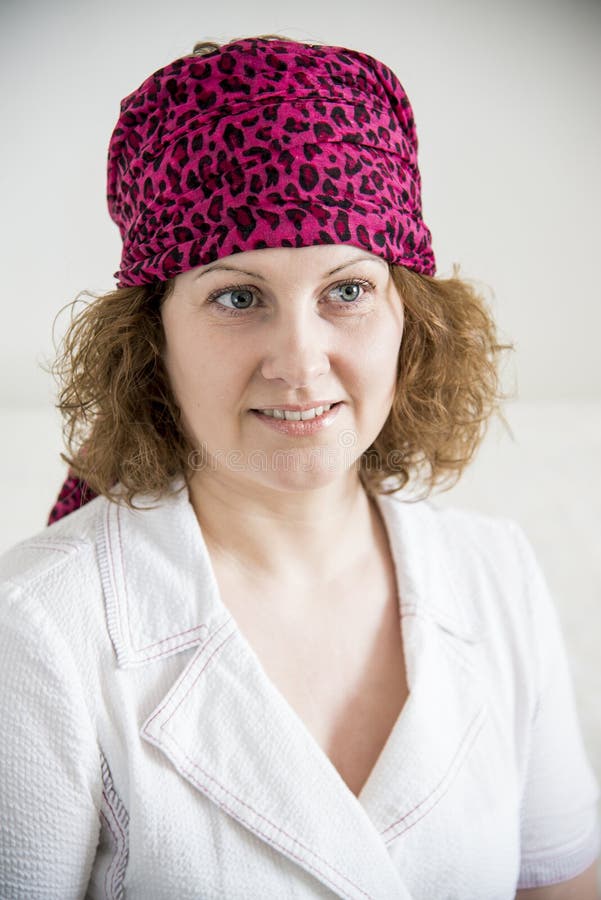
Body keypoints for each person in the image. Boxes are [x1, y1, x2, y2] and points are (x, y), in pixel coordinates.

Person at [0, 33, 598, 900]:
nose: (301, 362)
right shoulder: (41, 625)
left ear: (408, 317)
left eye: (345, 291)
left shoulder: (494, 573)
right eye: (238, 298)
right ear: (151, 339)